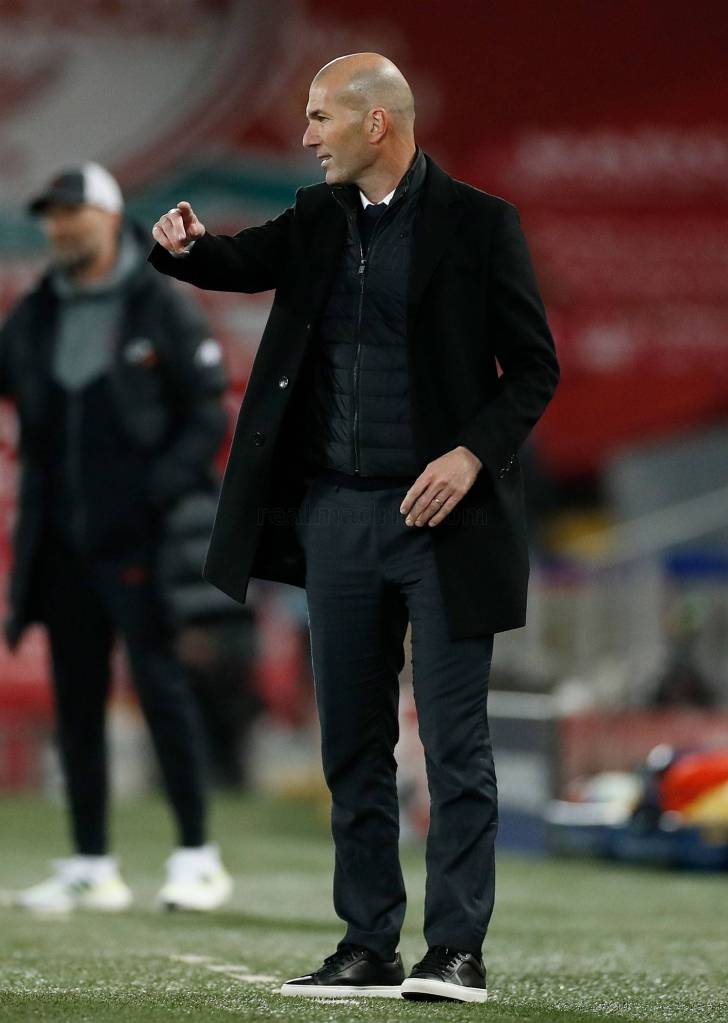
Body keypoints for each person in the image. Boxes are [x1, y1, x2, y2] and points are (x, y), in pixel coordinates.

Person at [149, 53, 559, 1001]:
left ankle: (456, 949)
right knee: (351, 745)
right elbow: (238, 261)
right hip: (337, 516)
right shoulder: (315, 217)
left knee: (455, 745)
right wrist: (185, 246)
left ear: (377, 123)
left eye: (320, 117)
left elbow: (534, 368)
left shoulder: (481, 224)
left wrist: (470, 455)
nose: (306, 136)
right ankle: (368, 944)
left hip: (446, 519)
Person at [0, 162, 233, 913]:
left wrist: (157, 493)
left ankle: (197, 857)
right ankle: (92, 862)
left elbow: (208, 412)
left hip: (143, 539)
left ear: (108, 217)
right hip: (60, 539)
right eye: (51, 217)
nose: (60, 228)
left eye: (72, 214)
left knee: (161, 687)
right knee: (77, 698)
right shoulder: (37, 311)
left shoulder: (159, 302)